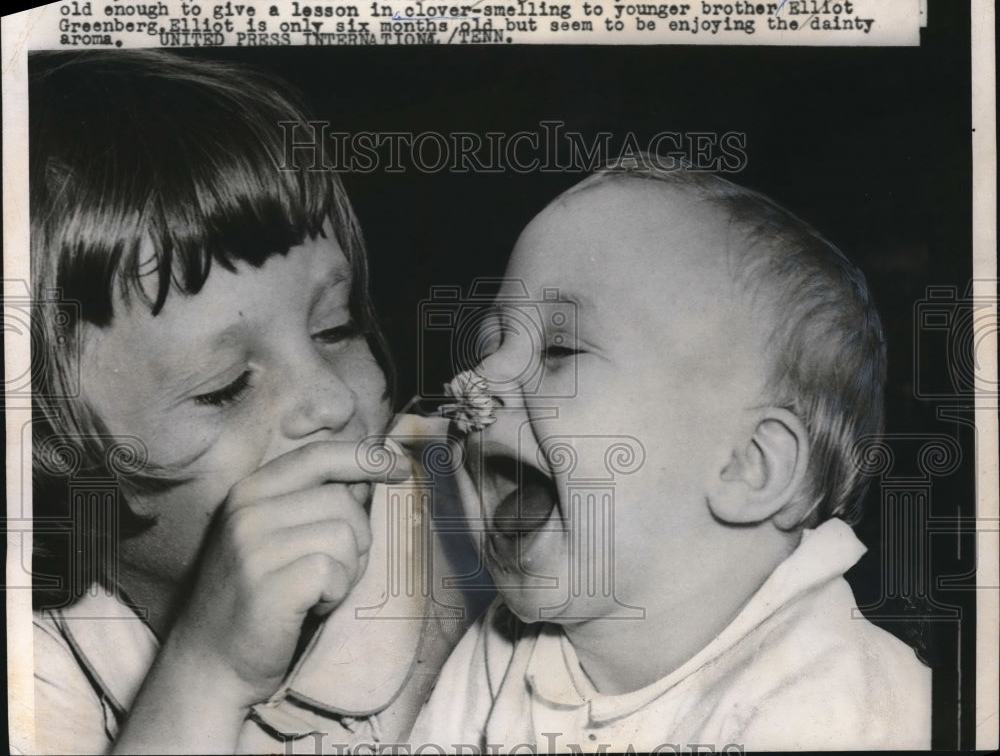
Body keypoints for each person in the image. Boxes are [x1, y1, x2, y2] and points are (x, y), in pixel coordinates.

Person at [408, 163, 932, 752]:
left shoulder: (837, 704)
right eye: (490, 344)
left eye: (559, 349)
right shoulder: (499, 650)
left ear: (746, 467)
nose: (477, 378)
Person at [29, 50, 464, 755]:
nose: (329, 401)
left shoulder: (468, 515)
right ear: (49, 450)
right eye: (225, 388)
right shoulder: (38, 668)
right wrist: (206, 674)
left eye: (336, 326)